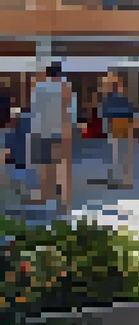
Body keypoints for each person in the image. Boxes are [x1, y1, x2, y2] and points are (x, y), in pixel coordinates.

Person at [30, 63, 76, 215]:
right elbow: (71, 110)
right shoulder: (66, 87)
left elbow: (36, 109)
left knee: (46, 166)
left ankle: (46, 197)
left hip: (44, 130)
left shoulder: (40, 88)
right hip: (62, 129)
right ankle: (66, 201)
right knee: (63, 166)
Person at [100, 73, 137, 188]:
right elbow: (130, 114)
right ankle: (125, 179)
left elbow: (105, 115)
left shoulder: (109, 100)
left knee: (116, 155)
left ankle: (119, 178)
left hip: (116, 128)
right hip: (123, 128)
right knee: (123, 155)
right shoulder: (124, 99)